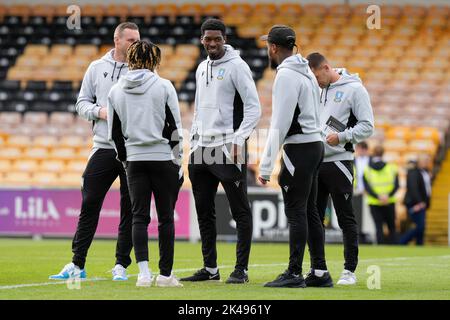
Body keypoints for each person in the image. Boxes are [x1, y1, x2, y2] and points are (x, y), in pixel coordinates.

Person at [49, 22, 140, 281]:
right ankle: (77, 264)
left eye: (138, 40)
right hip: (102, 147)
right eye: (131, 40)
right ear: (117, 40)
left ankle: (121, 265)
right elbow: (81, 103)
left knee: (129, 208)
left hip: (132, 149)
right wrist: (100, 112)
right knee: (89, 204)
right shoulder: (96, 68)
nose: (136, 45)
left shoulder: (142, 70)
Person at [181, 18, 261, 284]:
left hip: (228, 147)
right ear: (202, 39)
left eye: (217, 38)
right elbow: (199, 107)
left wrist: (239, 140)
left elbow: (253, 108)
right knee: (204, 211)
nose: (212, 43)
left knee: (240, 211)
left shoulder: (238, 67)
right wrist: (193, 141)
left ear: (224, 39)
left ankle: (241, 270)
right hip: (201, 149)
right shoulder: (201, 67)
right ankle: (210, 269)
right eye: (207, 39)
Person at [257, 25, 330, 288]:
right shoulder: (305, 71)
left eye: (268, 45)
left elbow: (281, 122)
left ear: (274, 47)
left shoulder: (286, 75)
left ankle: (294, 272)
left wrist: (265, 165)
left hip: (299, 148)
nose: (267, 49)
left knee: (296, 211)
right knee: (310, 211)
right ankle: (320, 272)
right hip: (314, 145)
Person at [107, 40, 184, 287]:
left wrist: (126, 160)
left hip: (135, 161)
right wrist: (178, 159)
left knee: (138, 217)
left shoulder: (116, 90)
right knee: (165, 218)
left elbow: (114, 133)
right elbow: (175, 128)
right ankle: (164, 276)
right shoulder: (164, 86)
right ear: (155, 61)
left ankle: (142, 273)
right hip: (163, 158)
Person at [306, 52, 374, 285]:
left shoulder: (355, 89)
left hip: (339, 161)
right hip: (315, 162)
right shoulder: (315, 89)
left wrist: (343, 136)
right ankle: (317, 269)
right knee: (314, 217)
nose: (315, 81)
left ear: (326, 67)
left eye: (316, 76)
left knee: (345, 217)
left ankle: (349, 271)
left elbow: (367, 126)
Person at [363, 145, 399, 244]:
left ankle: (380, 246)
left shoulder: (367, 170)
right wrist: (387, 196)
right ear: (383, 153)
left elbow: (367, 188)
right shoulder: (392, 167)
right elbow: (396, 185)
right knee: (391, 226)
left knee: (378, 226)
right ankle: (395, 247)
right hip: (389, 201)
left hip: (374, 202)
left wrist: (378, 197)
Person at [400, 155, 432, 245]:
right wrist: (419, 202)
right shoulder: (414, 172)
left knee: (421, 227)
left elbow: (425, 188)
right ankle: (402, 241)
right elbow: (413, 188)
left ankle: (419, 245)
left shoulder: (425, 172)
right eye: (425, 160)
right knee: (420, 226)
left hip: (422, 203)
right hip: (415, 203)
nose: (427, 162)